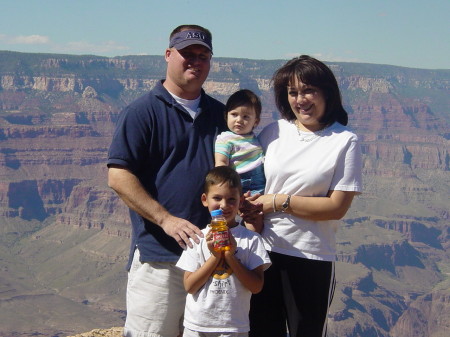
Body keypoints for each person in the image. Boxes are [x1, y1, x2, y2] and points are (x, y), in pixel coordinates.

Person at [107, 24, 227, 337]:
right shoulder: (143, 112)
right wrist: (166, 220)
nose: (195, 62)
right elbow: (118, 176)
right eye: (187, 54)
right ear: (168, 55)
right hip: (160, 258)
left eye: (203, 56)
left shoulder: (222, 115)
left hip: (210, 257)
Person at [243, 55, 363, 337]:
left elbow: (336, 207)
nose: (301, 100)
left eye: (309, 90)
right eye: (293, 92)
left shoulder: (345, 141)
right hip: (262, 252)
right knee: (260, 331)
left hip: (310, 255)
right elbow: (251, 178)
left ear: (326, 93)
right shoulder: (274, 131)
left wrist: (276, 202)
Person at [176, 166, 271, 337]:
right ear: (205, 199)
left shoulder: (252, 240)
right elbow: (190, 286)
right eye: (217, 198)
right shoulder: (197, 239)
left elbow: (256, 286)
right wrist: (215, 256)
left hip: (233, 327)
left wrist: (229, 255)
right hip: (197, 326)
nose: (224, 205)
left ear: (241, 201)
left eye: (231, 199)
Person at [214, 89, 265, 195]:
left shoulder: (254, 138)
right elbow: (221, 162)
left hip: (260, 181)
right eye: (234, 114)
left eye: (245, 117)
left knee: (257, 206)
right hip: (240, 180)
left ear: (256, 122)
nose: (239, 120)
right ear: (226, 116)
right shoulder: (225, 139)